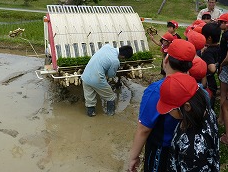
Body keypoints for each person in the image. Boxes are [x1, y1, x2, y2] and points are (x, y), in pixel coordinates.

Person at [128, 39, 196, 172]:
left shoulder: (156, 90)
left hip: (161, 148)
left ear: (166, 60)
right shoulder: (198, 88)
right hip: (185, 147)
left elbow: (144, 128)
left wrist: (133, 157)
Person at [156, 73, 220, 172]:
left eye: (170, 109)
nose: (168, 112)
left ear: (187, 107)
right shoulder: (206, 111)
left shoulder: (193, 149)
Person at [81, 44, 133, 117]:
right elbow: (111, 75)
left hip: (85, 76)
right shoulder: (115, 61)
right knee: (110, 97)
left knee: (90, 98)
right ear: (123, 56)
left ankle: (91, 114)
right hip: (97, 79)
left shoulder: (107, 46)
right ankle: (110, 115)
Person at [200, 22, 221, 108]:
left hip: (208, 83)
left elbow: (212, 68)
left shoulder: (208, 52)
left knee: (207, 104)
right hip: (213, 82)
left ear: (209, 38)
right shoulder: (219, 47)